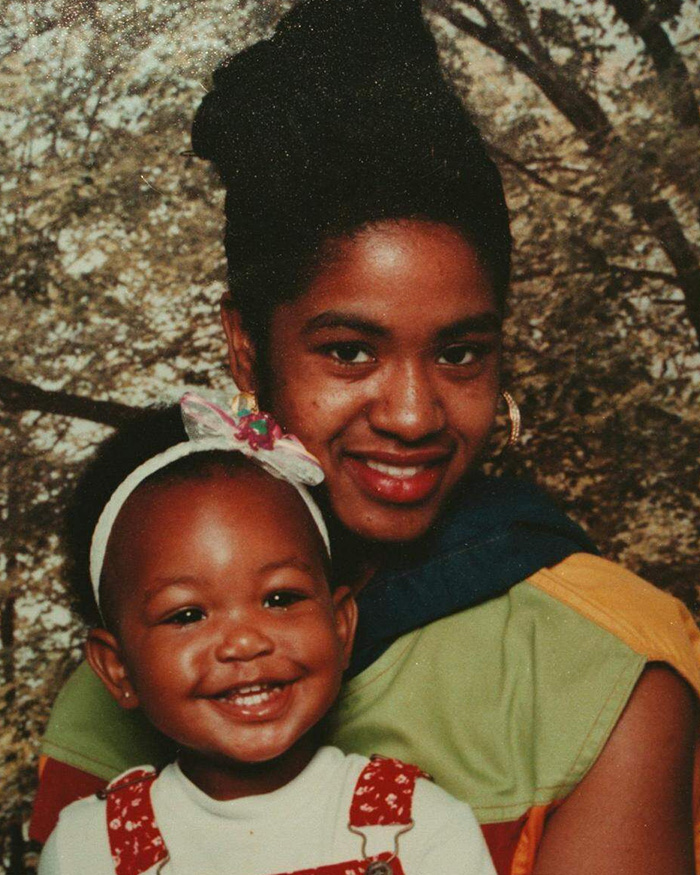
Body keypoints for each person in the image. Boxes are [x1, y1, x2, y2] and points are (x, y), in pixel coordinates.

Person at [31, 1, 700, 873]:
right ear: (245, 345)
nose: (415, 414)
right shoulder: (141, 657)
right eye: (349, 350)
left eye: (461, 351)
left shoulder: (602, 666)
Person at [38, 392, 496, 875]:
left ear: (340, 625)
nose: (244, 642)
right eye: (187, 615)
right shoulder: (88, 849)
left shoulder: (419, 825)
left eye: (280, 599)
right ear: (118, 668)